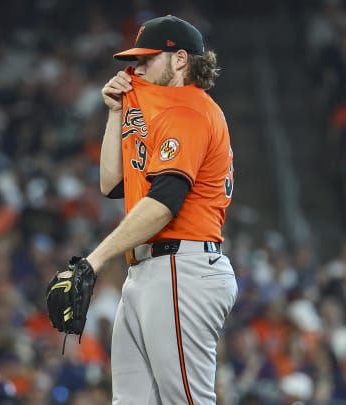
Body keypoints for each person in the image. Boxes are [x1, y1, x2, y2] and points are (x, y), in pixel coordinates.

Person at [83, 14, 238, 404]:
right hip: (151, 271)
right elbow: (111, 184)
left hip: (179, 268)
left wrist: (95, 259)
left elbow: (164, 203)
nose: (136, 69)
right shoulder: (161, 116)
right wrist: (116, 112)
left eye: (147, 59)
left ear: (180, 59)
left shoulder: (188, 111)